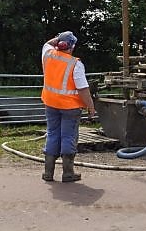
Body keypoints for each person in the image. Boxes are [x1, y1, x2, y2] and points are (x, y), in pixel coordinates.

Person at [40, 31, 96, 182]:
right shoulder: (75, 64)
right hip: (70, 107)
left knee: (52, 134)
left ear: (59, 44)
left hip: (50, 103)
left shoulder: (47, 54)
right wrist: (90, 107)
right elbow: (83, 89)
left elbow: (48, 43)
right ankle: (68, 173)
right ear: (71, 47)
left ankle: (48, 173)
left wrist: (59, 38)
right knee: (68, 136)